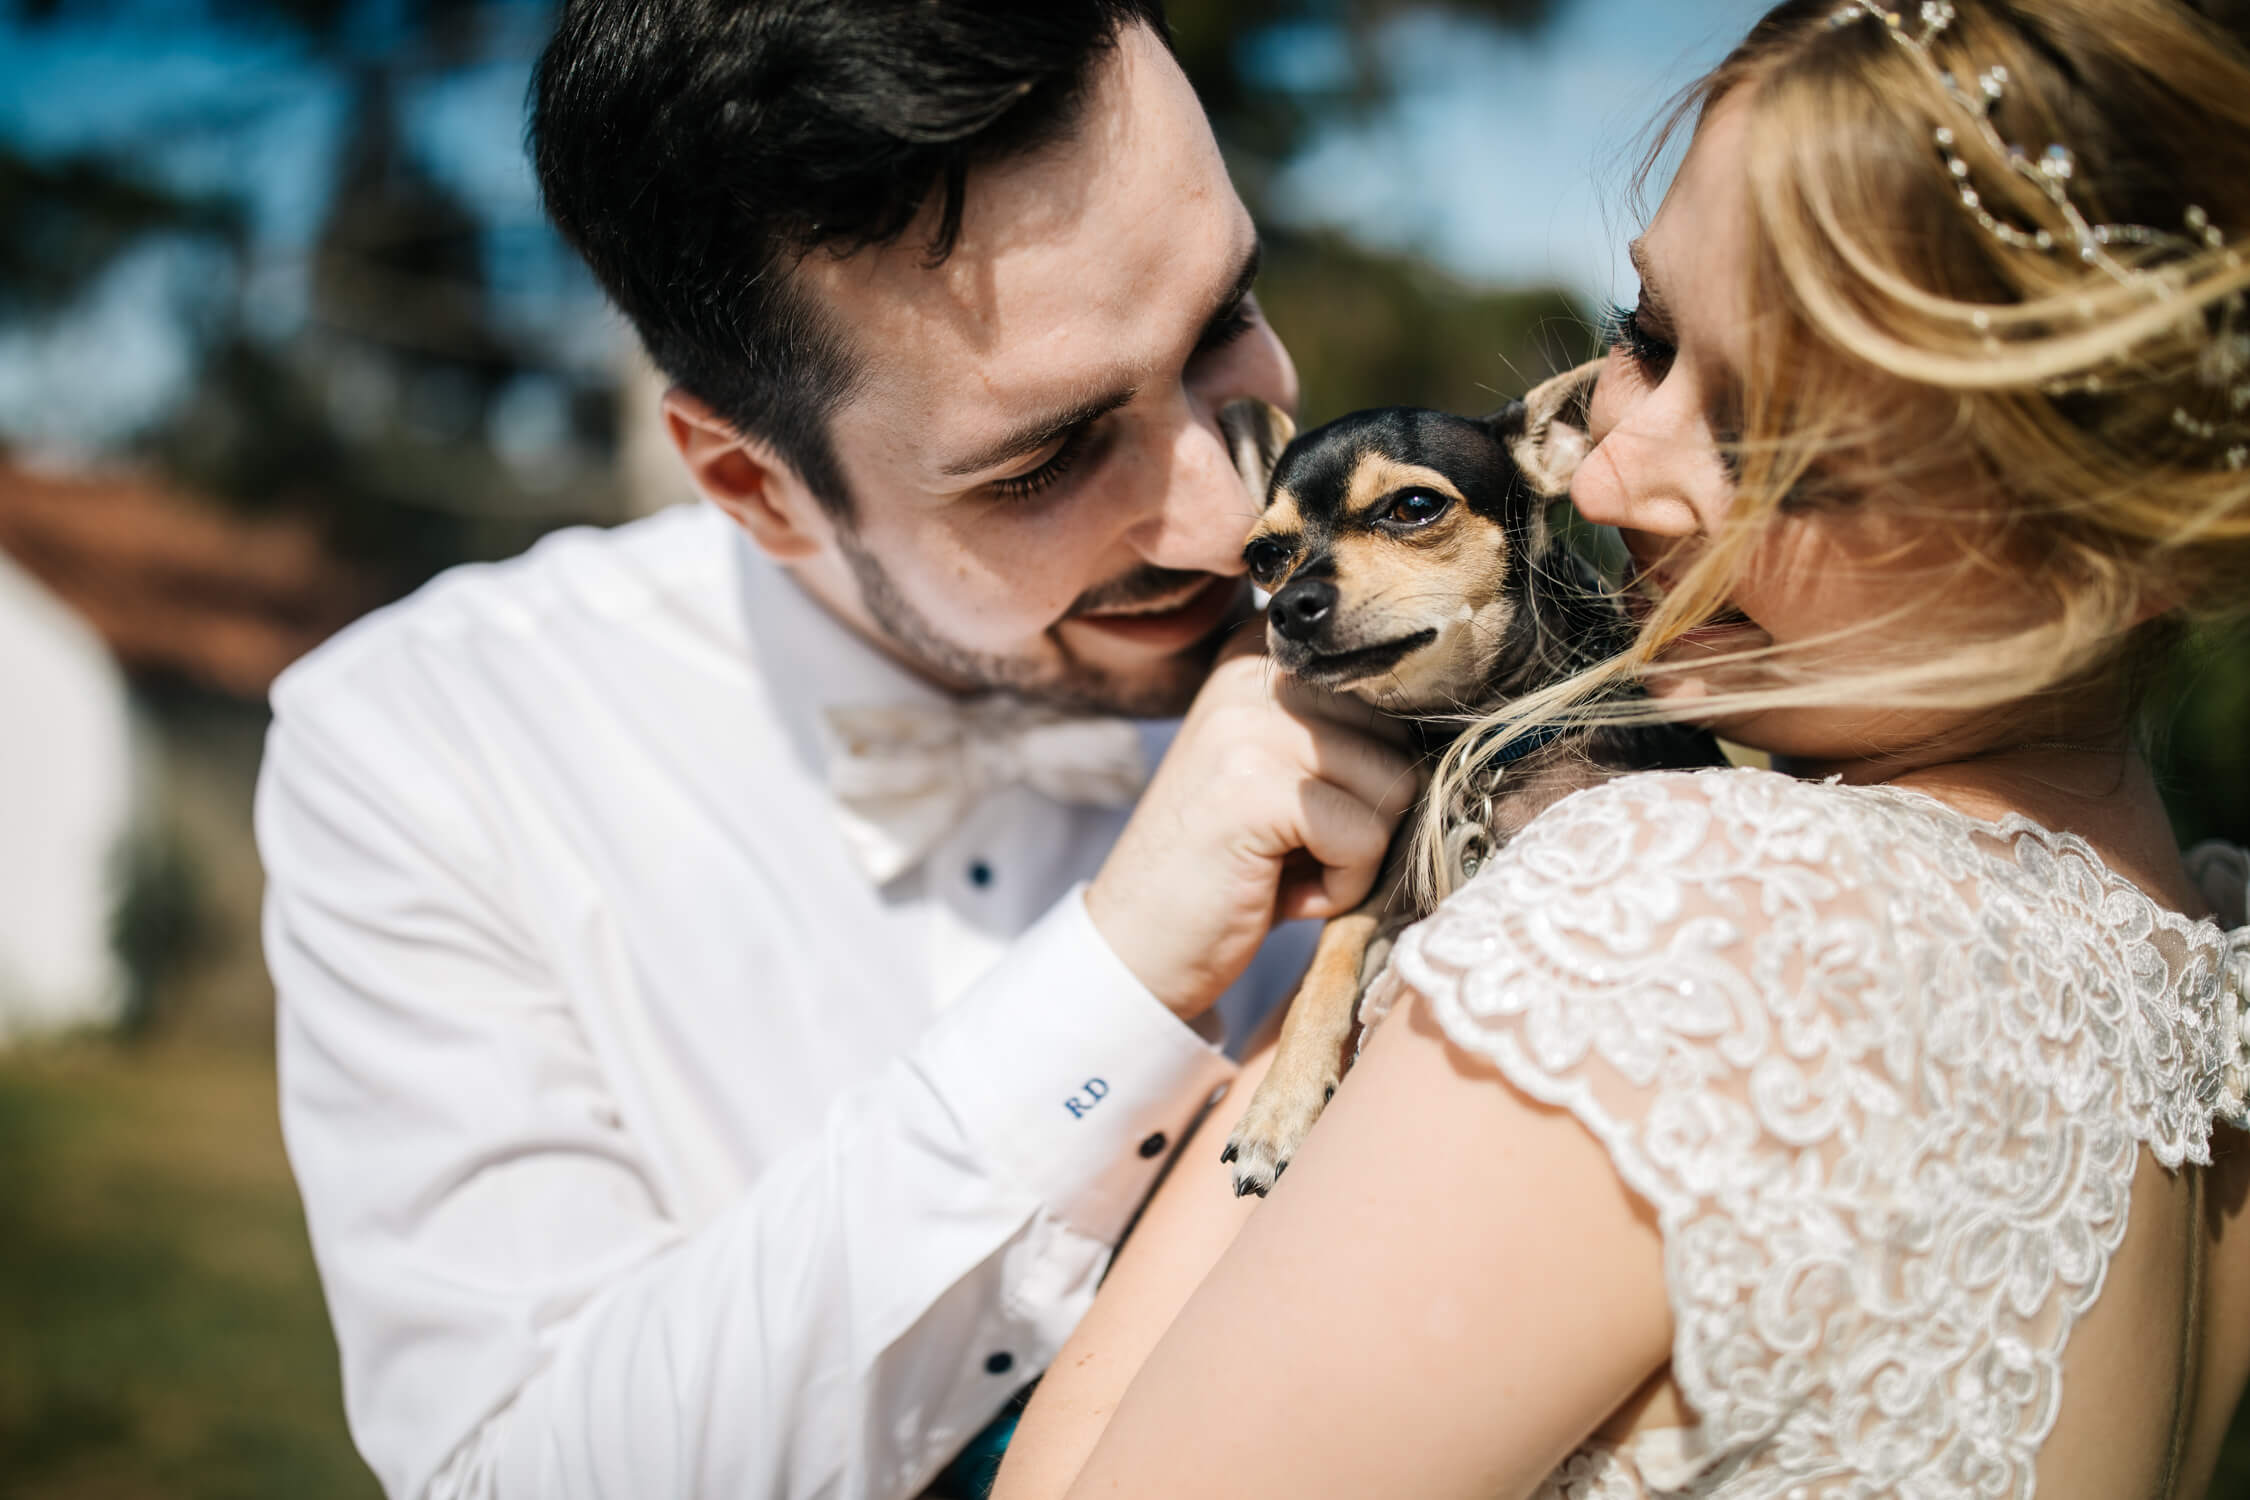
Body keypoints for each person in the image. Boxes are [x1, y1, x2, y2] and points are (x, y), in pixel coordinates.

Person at [989, 2, 2250, 1496]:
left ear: (2123, 537)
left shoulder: (1673, 917)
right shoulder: (2202, 986)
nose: (1605, 469)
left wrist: (1365, 949)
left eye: (1788, 440)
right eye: (1641, 338)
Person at [255, 4, 1420, 1497]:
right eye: (1048, 460)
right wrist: (1115, 975)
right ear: (757, 485)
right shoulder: (430, 751)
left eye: (1221, 328)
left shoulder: (1414, 644)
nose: (1227, 521)